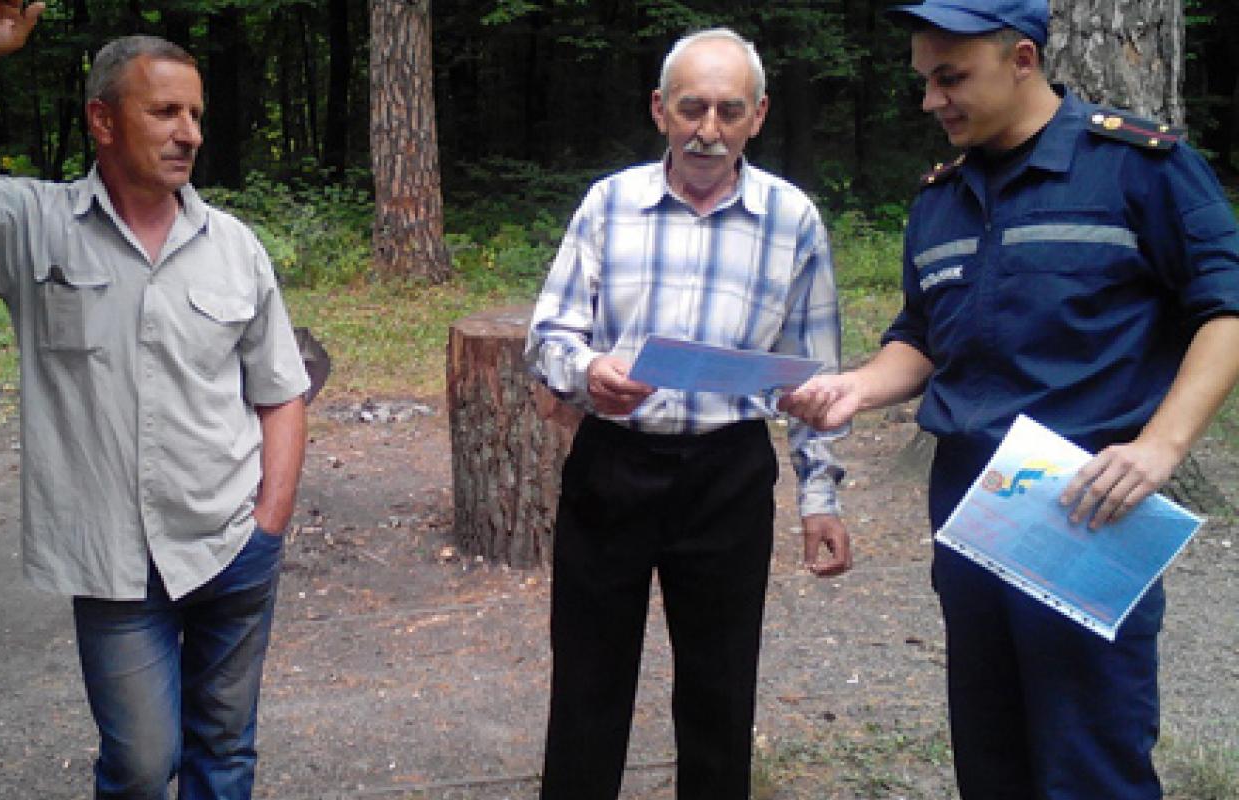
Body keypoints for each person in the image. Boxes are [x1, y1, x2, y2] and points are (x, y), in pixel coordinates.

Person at [778, 1, 1239, 797]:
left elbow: (1224, 309)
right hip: (971, 501)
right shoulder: (941, 198)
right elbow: (921, 336)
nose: (931, 100)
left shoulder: (1138, 168)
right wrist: (857, 385)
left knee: (1091, 759)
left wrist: (1161, 446)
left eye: (950, 78)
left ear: (1022, 59)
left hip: (1088, 500)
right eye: (924, 81)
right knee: (991, 753)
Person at [0, 2, 311, 798]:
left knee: (225, 753)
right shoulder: (33, 228)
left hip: (231, 546)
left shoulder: (235, 248)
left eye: (195, 114)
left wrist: (270, 521)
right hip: (114, 565)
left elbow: (281, 391)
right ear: (103, 121)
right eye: (165, 112)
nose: (188, 133)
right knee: (141, 763)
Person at [524, 27, 853, 800]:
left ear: (758, 116)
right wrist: (588, 372)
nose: (709, 129)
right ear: (659, 110)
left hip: (728, 473)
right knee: (587, 681)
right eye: (692, 108)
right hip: (615, 465)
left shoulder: (792, 220)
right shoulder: (610, 205)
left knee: (720, 687)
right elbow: (549, 336)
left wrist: (821, 495)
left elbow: (816, 374)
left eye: (729, 111)